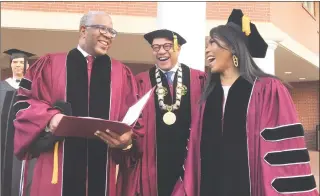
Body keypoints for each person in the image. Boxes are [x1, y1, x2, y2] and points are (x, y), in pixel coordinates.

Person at [187, 9, 318, 196]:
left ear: (233, 47)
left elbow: (283, 151)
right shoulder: (208, 96)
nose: (207, 48)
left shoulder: (268, 90)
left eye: (213, 42)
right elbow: (194, 153)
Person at [13, 11, 143, 196]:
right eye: (102, 28)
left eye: (112, 31)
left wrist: (127, 141)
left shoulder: (122, 74)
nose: (108, 35)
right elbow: (23, 102)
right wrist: (50, 118)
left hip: (104, 169)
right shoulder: (49, 64)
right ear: (83, 30)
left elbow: (136, 120)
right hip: (58, 169)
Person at [127, 29, 205, 196]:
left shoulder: (199, 79)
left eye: (167, 46)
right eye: (155, 47)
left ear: (178, 48)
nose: (161, 51)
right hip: (152, 162)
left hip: (189, 160)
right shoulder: (140, 81)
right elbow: (134, 123)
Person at [0, 49, 36, 196]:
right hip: (4, 138)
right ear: (11, 64)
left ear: (27, 66)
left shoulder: (34, 88)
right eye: (15, 62)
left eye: (21, 62)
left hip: (25, 139)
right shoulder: (2, 86)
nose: (18, 65)